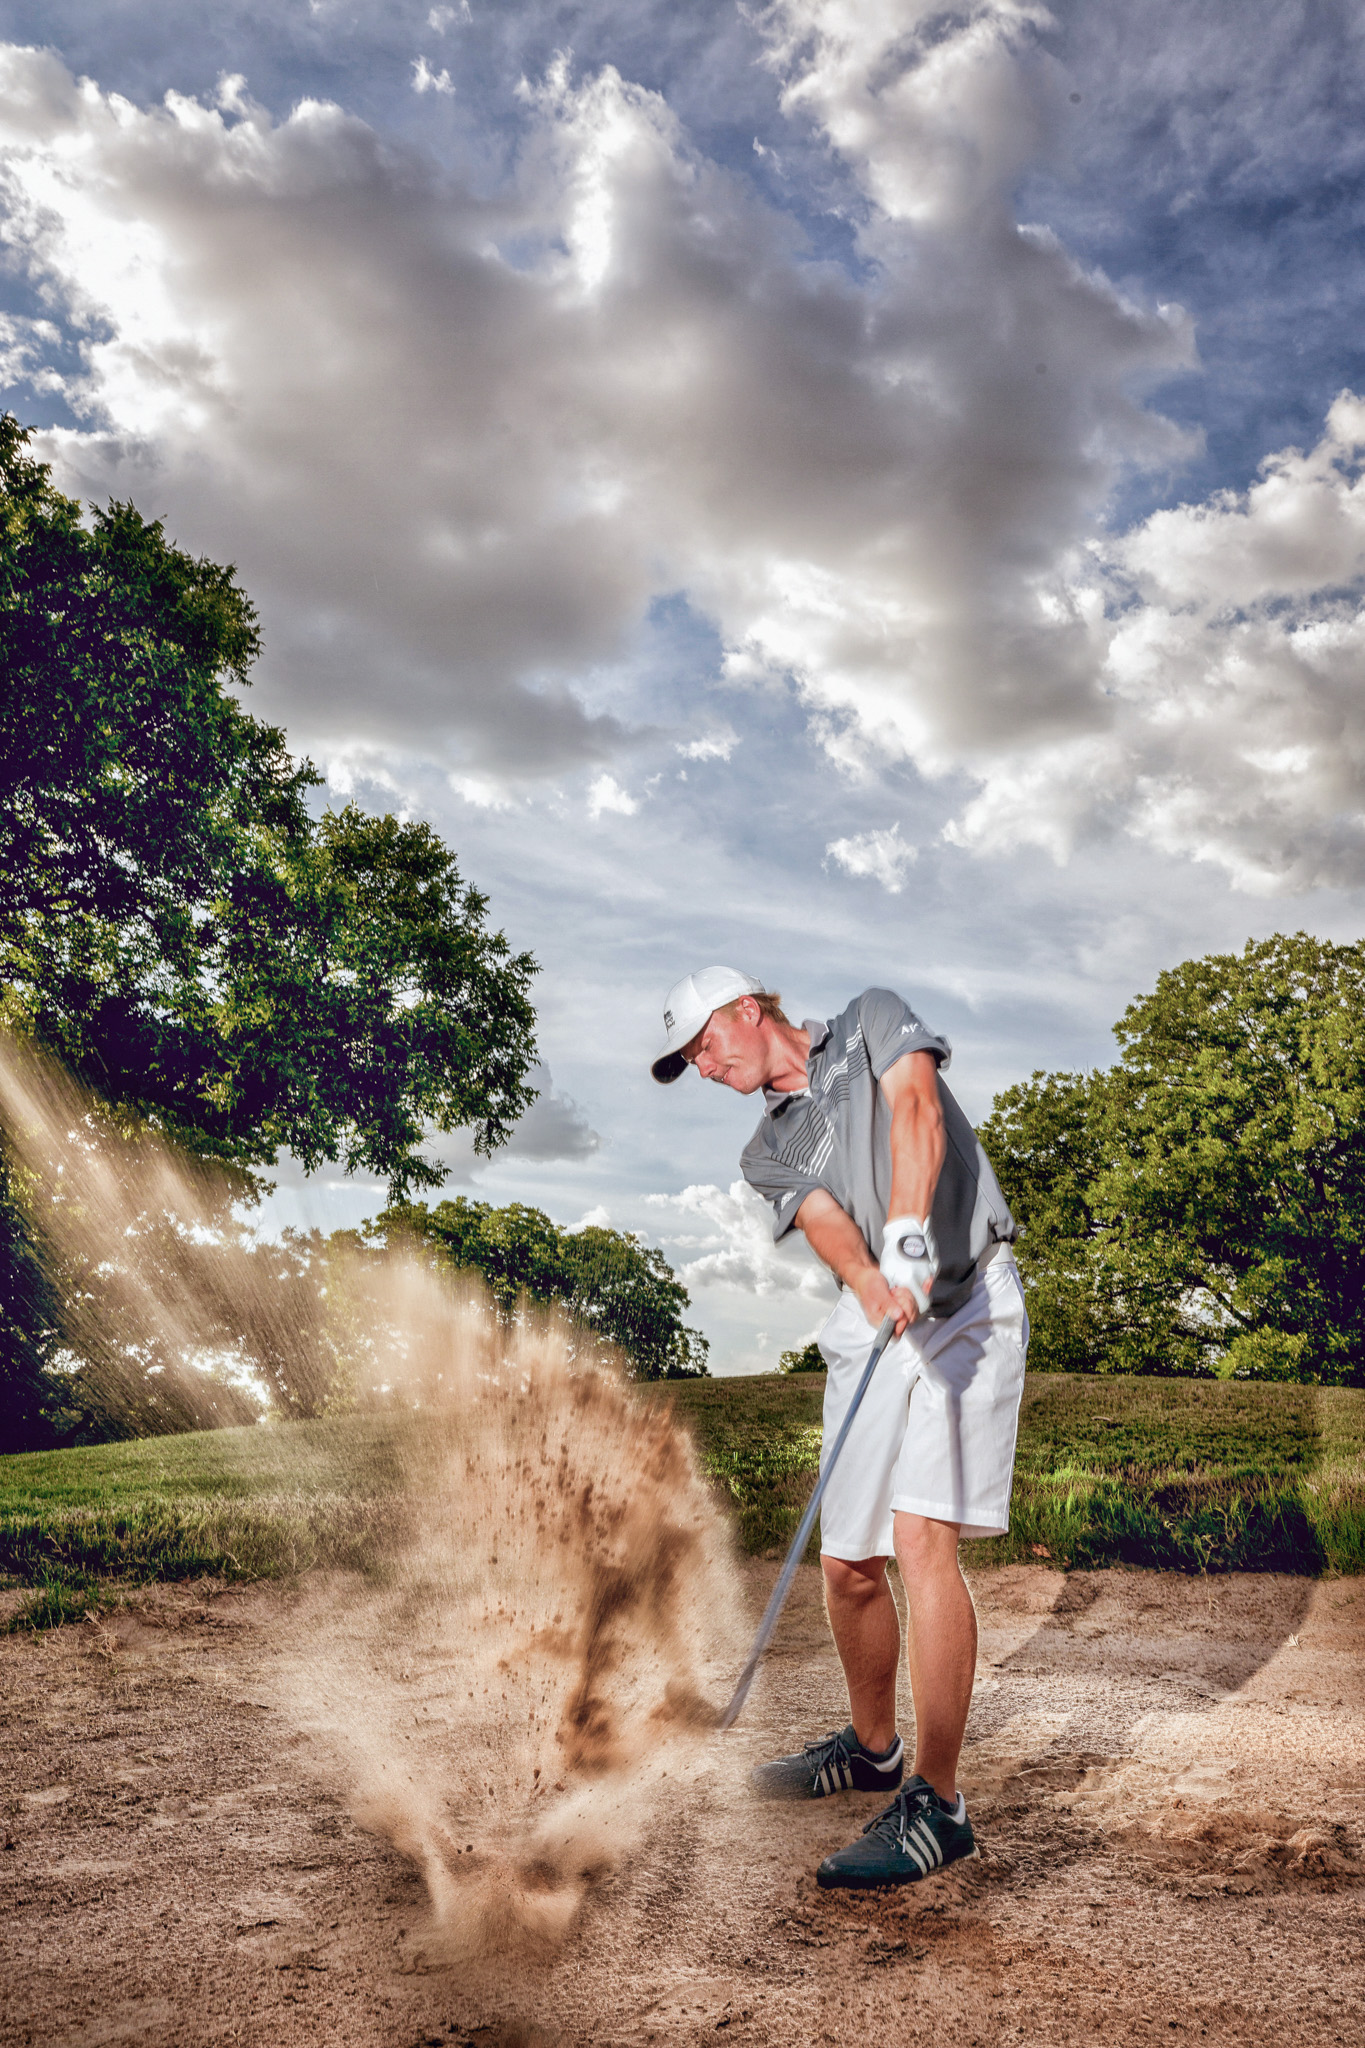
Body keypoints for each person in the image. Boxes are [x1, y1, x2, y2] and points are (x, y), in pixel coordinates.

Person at [651, 966, 1027, 1889]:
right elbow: (827, 1229)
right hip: (873, 1322)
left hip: (965, 1301)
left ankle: (938, 1806)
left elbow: (917, 1116)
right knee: (849, 1564)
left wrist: (904, 1238)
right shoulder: (764, 1149)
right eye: (688, 1059)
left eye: (703, 1043)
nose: (701, 1066)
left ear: (749, 1009)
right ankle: (871, 1751)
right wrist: (869, 1279)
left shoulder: (870, 1021)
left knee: (919, 1538)